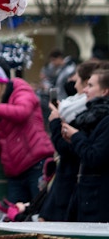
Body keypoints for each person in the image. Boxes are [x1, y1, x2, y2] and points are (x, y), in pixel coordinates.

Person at [0, 54, 54, 204]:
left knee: (41, 217)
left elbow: (22, 112)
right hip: (15, 173)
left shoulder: (19, 89)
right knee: (16, 223)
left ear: (1, 82)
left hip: (36, 165)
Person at [41, 58, 108, 221]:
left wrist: (70, 132)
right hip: (84, 195)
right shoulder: (91, 114)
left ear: (105, 91)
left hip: (95, 199)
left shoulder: (101, 117)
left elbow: (93, 156)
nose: (85, 90)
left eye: (90, 86)